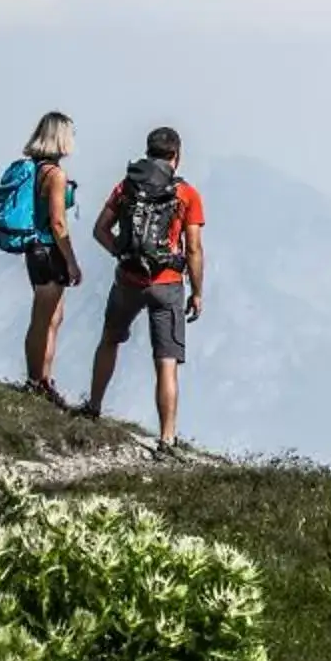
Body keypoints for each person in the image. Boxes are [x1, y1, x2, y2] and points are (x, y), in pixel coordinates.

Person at [84, 126, 206, 453]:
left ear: (148, 152)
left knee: (110, 339)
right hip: (167, 284)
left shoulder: (127, 185)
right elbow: (193, 247)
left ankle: (93, 407)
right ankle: (167, 437)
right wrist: (197, 291)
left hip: (128, 277)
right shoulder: (187, 194)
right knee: (166, 360)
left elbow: (100, 229)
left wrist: (122, 254)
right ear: (176, 157)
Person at [13, 112, 86, 405]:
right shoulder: (55, 175)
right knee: (45, 319)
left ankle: (41, 378)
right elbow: (58, 222)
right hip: (48, 249)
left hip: (33, 249)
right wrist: (71, 260)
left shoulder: (34, 169)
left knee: (50, 317)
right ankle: (38, 380)